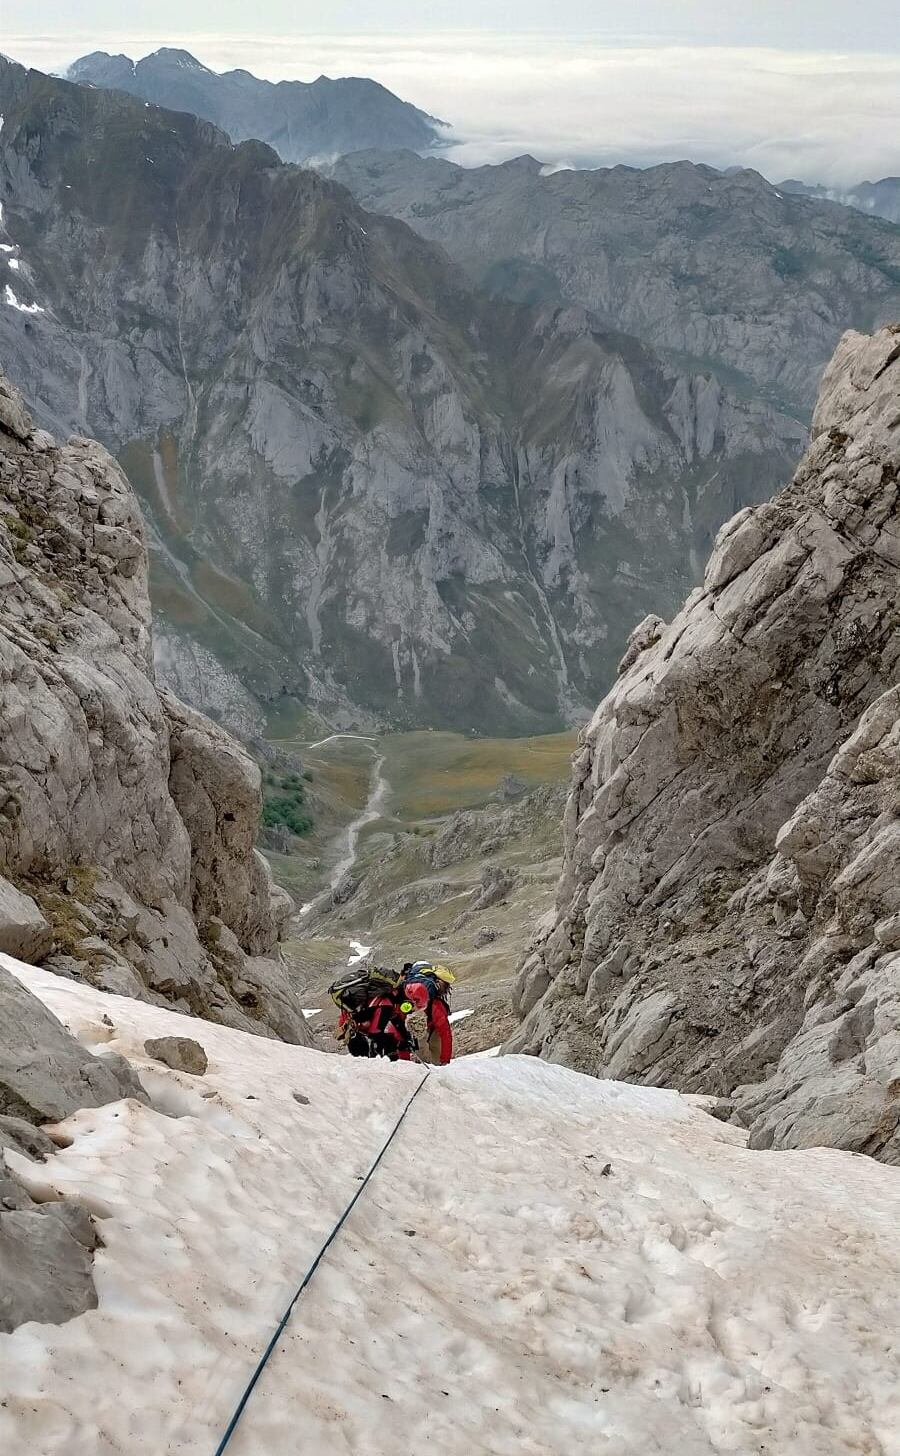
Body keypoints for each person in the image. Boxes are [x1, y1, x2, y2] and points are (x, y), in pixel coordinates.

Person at [331, 960, 455, 1065]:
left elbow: (393, 1024)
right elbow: (376, 1032)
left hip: (356, 1030)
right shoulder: (386, 1003)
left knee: (382, 1047)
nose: (414, 1007)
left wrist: (404, 1045)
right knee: (383, 1045)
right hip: (360, 1032)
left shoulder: (387, 999)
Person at [398, 961, 455, 1066]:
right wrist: (445, 1060)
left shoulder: (403, 994)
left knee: (420, 1046)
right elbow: (445, 1034)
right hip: (431, 1029)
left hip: (408, 1040)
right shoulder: (435, 1004)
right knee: (434, 1059)